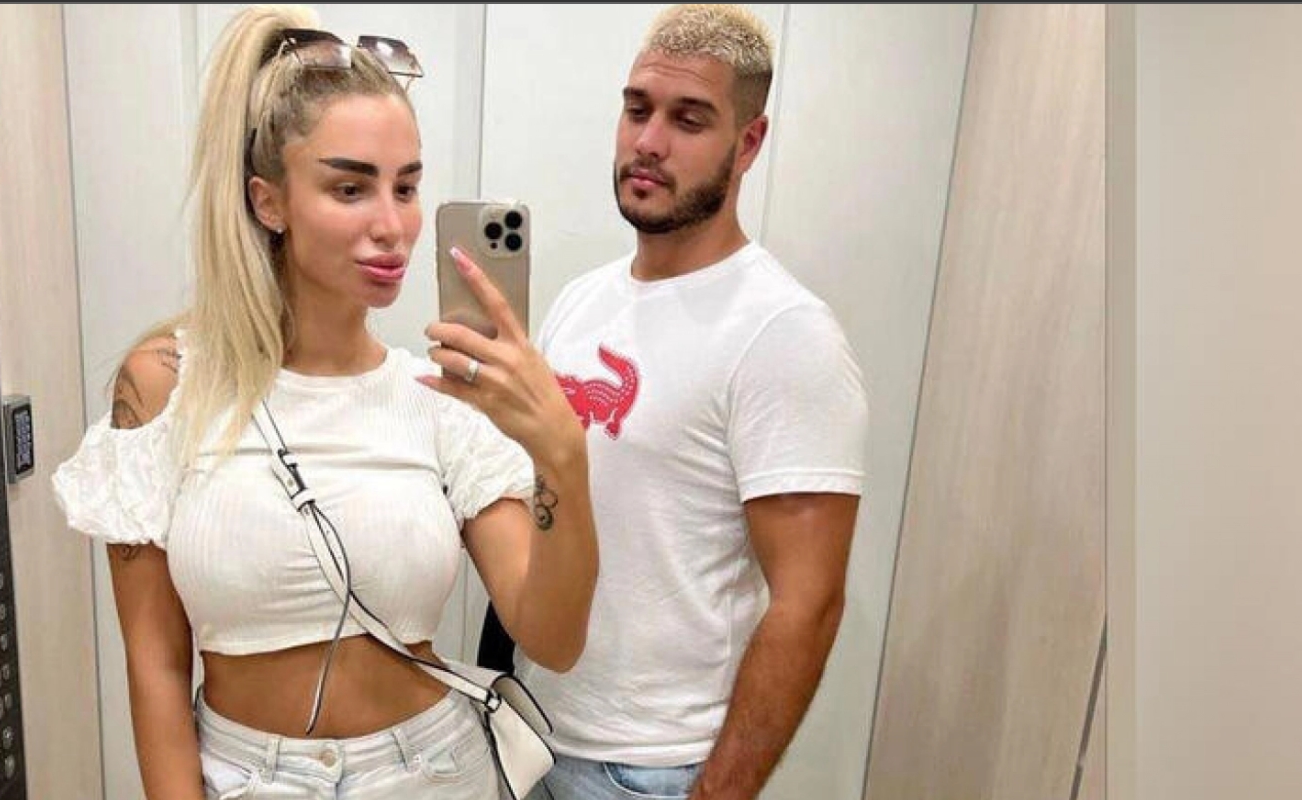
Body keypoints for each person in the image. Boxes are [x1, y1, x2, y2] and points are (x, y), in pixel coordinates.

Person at [51, 6, 597, 799]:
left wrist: (561, 456)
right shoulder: (166, 387)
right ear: (267, 201)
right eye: (350, 187)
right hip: (244, 778)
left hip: (435, 774)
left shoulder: (438, 401)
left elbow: (552, 637)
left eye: (406, 187)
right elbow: (156, 666)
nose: (392, 226)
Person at [512, 5, 869, 799]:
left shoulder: (784, 332)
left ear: (748, 142)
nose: (648, 142)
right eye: (636, 109)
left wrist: (716, 792)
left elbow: (808, 604)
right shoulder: (579, 301)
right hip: (533, 733)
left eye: (688, 119)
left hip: (651, 769)